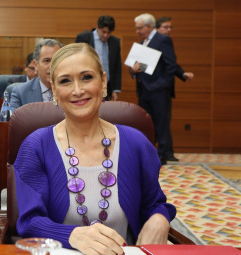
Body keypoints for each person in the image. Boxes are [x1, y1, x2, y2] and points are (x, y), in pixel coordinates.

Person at [15, 43, 176, 253]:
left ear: (103, 81)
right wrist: (73, 235)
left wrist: (160, 218)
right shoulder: (35, 147)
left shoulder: (136, 143)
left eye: (87, 77)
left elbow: (153, 204)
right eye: (65, 81)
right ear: (54, 90)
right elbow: (29, 222)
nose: (78, 90)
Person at [130, 13, 177, 165]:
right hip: (144, 90)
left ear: (149, 26)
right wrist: (132, 71)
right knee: (146, 123)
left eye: (139, 28)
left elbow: (170, 66)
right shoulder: (143, 43)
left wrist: (161, 85)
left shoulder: (163, 40)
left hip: (158, 90)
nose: (137, 31)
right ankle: (149, 152)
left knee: (161, 122)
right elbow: (138, 68)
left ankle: (162, 154)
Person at [156, 16, 195, 162]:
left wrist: (182, 73)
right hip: (157, 87)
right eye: (165, 27)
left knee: (164, 119)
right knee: (161, 120)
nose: (168, 30)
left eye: (170, 27)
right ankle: (166, 152)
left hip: (161, 87)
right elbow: (169, 64)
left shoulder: (164, 41)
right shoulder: (159, 41)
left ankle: (168, 152)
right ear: (157, 28)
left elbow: (171, 63)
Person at [75, 15, 122, 101]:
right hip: (87, 84)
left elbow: (117, 66)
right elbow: (76, 61)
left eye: (109, 33)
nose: (106, 35)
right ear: (97, 27)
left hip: (107, 86)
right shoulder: (84, 37)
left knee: (104, 112)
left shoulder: (115, 42)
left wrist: (115, 90)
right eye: (103, 32)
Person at [10, 39, 62, 111]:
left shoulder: (72, 90)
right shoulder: (20, 93)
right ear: (36, 65)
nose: (51, 66)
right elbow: (12, 121)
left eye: (56, 61)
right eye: (46, 61)